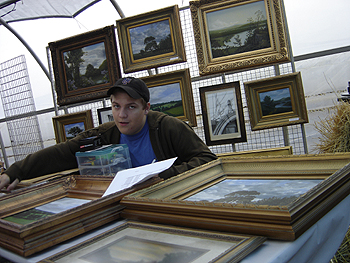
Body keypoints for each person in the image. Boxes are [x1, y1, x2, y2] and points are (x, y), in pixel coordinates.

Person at [0, 77, 217, 191]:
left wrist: (165, 176)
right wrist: (14, 172)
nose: (121, 115)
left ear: (146, 108)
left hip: (167, 202)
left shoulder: (168, 127)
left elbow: (207, 159)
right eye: (115, 106)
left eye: (131, 107)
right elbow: (63, 153)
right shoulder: (104, 135)